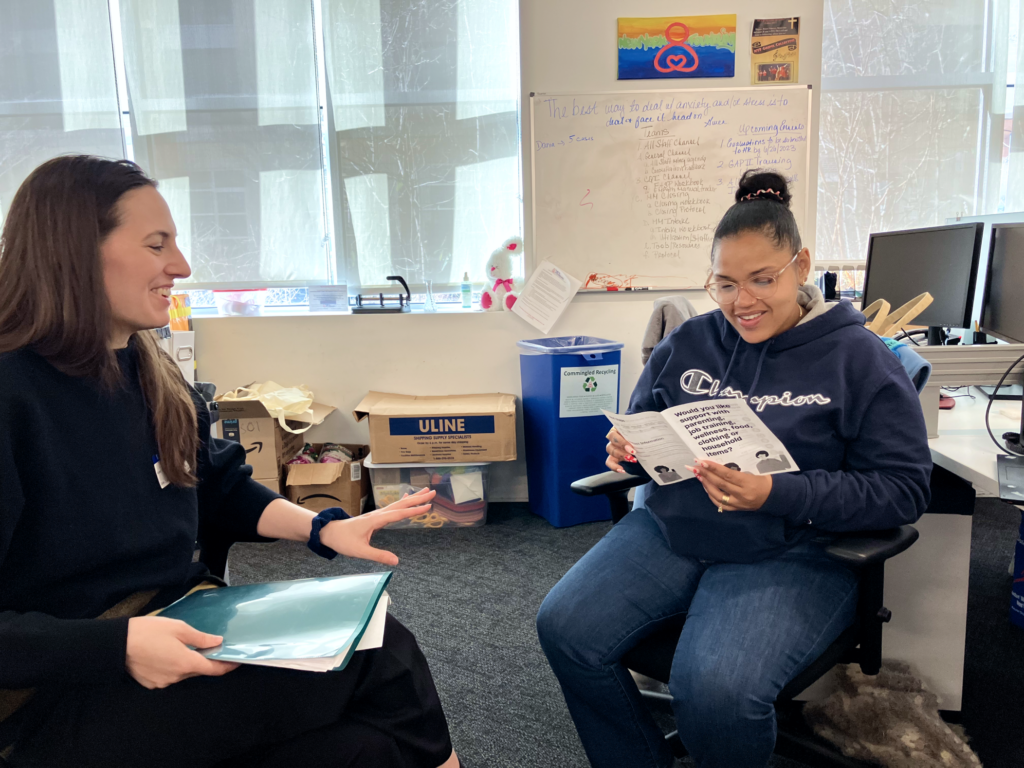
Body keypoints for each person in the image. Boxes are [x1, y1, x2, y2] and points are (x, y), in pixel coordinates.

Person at [0, 156, 460, 768]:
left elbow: (214, 483)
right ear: (74, 252)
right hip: (57, 692)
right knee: (382, 653)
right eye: (156, 244)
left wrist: (323, 528)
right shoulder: (13, 395)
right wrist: (118, 646)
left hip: (174, 623)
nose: (181, 267)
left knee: (365, 748)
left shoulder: (146, 367)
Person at [536, 169, 931, 768]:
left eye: (761, 280)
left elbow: (902, 491)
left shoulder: (861, 360)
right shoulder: (690, 342)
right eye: (724, 284)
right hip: (674, 531)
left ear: (801, 265)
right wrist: (630, 451)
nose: (742, 303)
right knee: (564, 627)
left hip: (793, 549)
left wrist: (778, 493)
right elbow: (646, 429)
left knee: (716, 691)